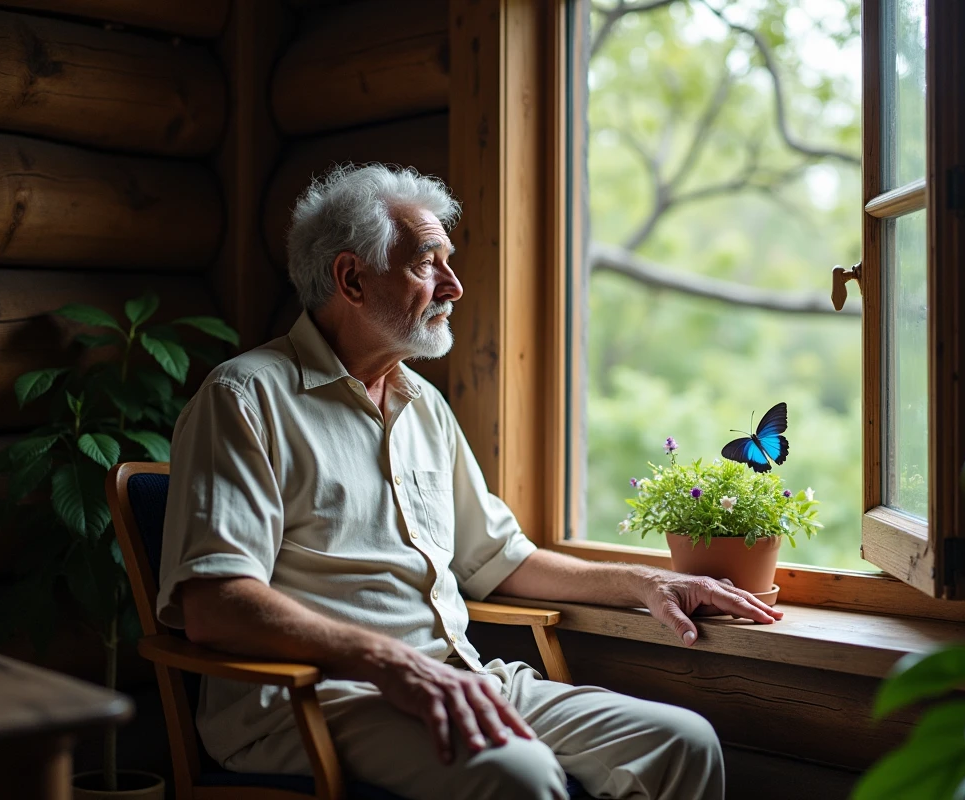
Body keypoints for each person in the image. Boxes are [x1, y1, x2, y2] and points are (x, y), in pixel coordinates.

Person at [157, 163, 782, 800]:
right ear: (351, 278)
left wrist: (646, 581)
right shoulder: (244, 399)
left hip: (462, 677)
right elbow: (214, 604)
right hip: (315, 700)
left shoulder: (422, 404)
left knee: (683, 744)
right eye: (428, 264)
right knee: (519, 774)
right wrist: (388, 660)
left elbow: (499, 560)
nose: (454, 285)